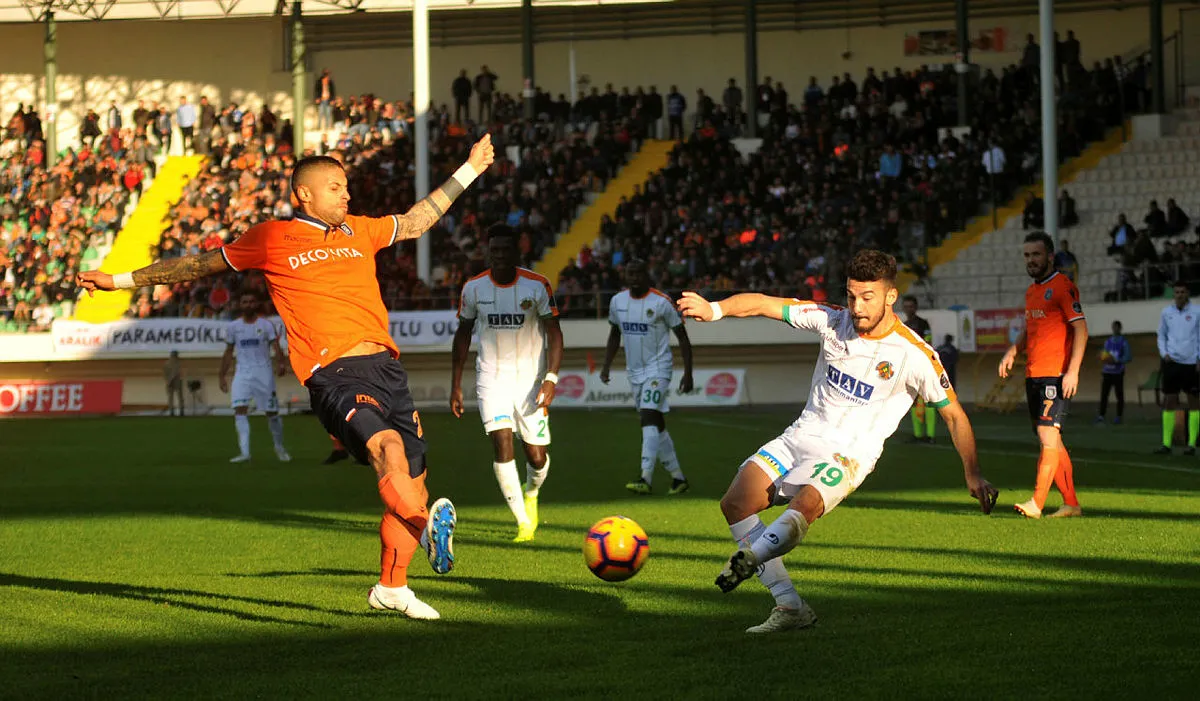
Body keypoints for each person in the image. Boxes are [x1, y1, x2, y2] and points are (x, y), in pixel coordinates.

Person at [77, 134, 496, 619]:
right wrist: (119, 280)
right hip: (333, 371)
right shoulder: (272, 237)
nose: (347, 195)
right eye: (337, 187)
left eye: (347, 188)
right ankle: (427, 532)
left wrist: (470, 169)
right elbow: (194, 266)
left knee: (412, 482)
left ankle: (392, 588)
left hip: (387, 368)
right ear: (305, 194)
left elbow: (419, 219)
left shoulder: (360, 230)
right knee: (389, 450)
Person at [679, 250, 997, 634]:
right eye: (851, 295)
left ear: (890, 296)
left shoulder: (915, 355)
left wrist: (974, 474)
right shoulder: (832, 320)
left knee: (804, 506)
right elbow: (764, 303)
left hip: (849, 453)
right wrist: (714, 310)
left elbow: (954, 415)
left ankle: (750, 559)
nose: (857, 307)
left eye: (868, 297)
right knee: (735, 502)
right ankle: (791, 606)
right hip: (800, 435)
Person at [450, 225, 564, 543]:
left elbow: (554, 332)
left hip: (530, 380)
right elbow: (462, 335)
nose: (499, 256)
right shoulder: (473, 288)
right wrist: (456, 384)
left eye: (505, 250)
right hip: (491, 378)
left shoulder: (537, 285)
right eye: (493, 250)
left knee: (537, 457)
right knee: (501, 442)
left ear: (517, 252)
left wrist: (551, 378)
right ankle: (522, 522)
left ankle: (532, 492)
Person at [999, 231, 1088, 519]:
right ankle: (1071, 504)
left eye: (1036, 254)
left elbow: (1081, 329)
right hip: (1034, 373)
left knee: (1047, 435)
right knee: (1052, 440)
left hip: (1056, 374)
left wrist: (1072, 372)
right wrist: (1013, 350)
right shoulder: (1032, 291)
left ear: (1050, 256)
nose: (1031, 260)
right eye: (1027, 255)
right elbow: (1031, 328)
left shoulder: (1063, 287)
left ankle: (1036, 503)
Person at [599, 259, 694, 495]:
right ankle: (678, 478)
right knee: (657, 425)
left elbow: (682, 337)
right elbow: (614, 335)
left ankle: (645, 477)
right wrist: (606, 365)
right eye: (630, 274)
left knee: (648, 418)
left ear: (646, 275)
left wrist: (688, 372)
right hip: (635, 372)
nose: (634, 278)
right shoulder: (617, 302)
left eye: (638, 273)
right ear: (626, 276)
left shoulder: (661, 302)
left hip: (658, 369)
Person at [219, 290, 290, 463]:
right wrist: (222, 375)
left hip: (263, 373)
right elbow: (228, 352)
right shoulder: (233, 327)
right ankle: (245, 453)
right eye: (245, 302)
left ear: (256, 304)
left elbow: (276, 346)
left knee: (271, 412)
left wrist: (281, 364)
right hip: (242, 373)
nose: (248, 305)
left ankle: (279, 448)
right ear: (240, 305)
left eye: (251, 301)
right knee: (239, 410)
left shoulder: (266, 325)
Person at [1155, 283, 1200, 455]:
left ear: (1188, 293)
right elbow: (1161, 334)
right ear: (1173, 294)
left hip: (1191, 363)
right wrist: (1164, 353)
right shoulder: (1166, 312)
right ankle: (1166, 444)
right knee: (1169, 401)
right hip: (1172, 362)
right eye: (1177, 292)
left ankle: (1192, 444)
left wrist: (1199, 358)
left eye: (1182, 292)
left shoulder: (1197, 312)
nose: (1180, 295)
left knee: (1194, 402)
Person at [901, 295, 936, 443]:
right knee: (913, 400)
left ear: (915, 307)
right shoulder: (903, 325)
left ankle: (931, 435)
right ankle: (918, 435)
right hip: (909, 367)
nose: (909, 309)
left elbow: (928, 343)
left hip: (923, 366)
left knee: (928, 399)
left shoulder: (923, 324)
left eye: (911, 306)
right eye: (906, 306)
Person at [1096, 320, 1132, 425]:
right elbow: (1104, 354)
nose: (1115, 329)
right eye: (1113, 327)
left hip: (1118, 373)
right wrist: (1102, 357)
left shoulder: (1123, 342)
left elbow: (1128, 357)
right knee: (1104, 395)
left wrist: (1116, 360)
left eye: (1116, 327)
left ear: (1120, 328)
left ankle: (1119, 416)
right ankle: (1101, 416)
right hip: (1107, 372)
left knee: (1119, 395)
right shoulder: (1108, 341)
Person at [164, 350, 184, 417]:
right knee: (176, 397)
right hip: (175, 381)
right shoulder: (177, 363)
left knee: (174, 397)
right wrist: (169, 381)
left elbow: (165, 374)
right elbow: (167, 373)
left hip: (173, 381)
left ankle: (175, 411)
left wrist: (168, 381)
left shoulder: (167, 363)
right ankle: (176, 411)